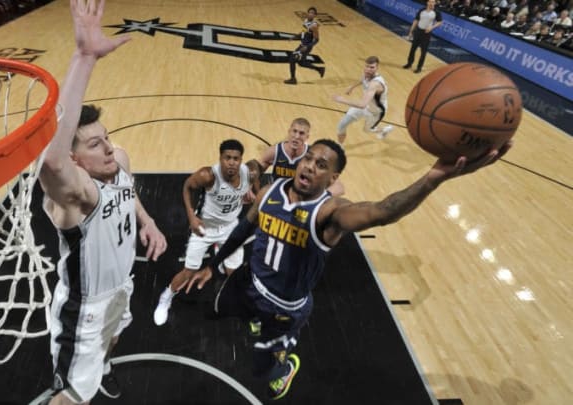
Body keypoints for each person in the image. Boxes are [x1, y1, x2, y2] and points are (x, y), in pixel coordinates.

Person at [183, 138, 511, 400]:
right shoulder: (270, 192)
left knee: (264, 372)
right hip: (250, 282)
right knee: (220, 307)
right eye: (309, 158)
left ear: (333, 178)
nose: (309, 165)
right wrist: (213, 265)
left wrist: (433, 179)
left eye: (321, 164)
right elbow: (243, 230)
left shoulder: (329, 213)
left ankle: (286, 367)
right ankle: (253, 319)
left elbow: (382, 212)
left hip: (284, 308)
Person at [39, 0, 167, 404]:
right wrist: (84, 58)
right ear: (77, 160)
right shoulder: (77, 198)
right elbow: (52, 161)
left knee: (116, 334)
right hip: (84, 309)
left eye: (107, 137)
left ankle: (106, 366)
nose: (109, 148)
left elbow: (128, 194)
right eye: (96, 144)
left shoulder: (120, 160)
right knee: (69, 398)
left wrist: (147, 221)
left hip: (120, 288)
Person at [153, 139, 259, 326]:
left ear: (241, 159)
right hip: (205, 228)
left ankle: (234, 299)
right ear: (220, 158)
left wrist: (254, 194)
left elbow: (257, 176)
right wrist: (191, 217)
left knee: (232, 272)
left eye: (236, 158)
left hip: (230, 227)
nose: (232, 162)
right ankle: (166, 296)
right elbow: (187, 186)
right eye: (227, 158)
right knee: (189, 271)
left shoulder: (249, 174)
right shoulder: (207, 175)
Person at [250, 118, 344, 197]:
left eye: (301, 133)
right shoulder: (275, 151)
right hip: (277, 194)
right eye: (294, 131)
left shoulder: (312, 155)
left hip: (300, 197)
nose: (296, 136)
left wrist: (321, 197)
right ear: (289, 132)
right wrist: (250, 188)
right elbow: (255, 169)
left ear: (307, 137)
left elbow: (339, 187)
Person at [332, 56, 393, 144]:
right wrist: (352, 87)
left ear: (377, 68)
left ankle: (384, 130)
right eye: (367, 66)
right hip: (366, 105)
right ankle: (340, 147)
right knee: (342, 125)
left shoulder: (375, 84)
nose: (368, 69)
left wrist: (341, 100)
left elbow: (362, 105)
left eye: (372, 67)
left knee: (367, 130)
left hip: (376, 111)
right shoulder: (366, 74)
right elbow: (362, 80)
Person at [284, 7, 325, 85]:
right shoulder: (305, 21)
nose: (310, 14)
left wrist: (307, 46)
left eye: (312, 13)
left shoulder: (314, 26)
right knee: (301, 63)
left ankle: (293, 79)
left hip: (306, 47)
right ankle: (320, 69)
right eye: (309, 12)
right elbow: (303, 32)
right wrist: (295, 37)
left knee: (292, 59)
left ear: (315, 15)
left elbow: (316, 40)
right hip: (302, 45)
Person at [403, 0, 443, 73]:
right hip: (418, 31)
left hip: (426, 34)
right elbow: (416, 20)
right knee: (413, 49)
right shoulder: (421, 10)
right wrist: (411, 31)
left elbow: (440, 22)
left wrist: (432, 27)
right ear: (427, 2)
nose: (432, 3)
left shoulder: (436, 12)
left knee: (423, 52)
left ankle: (419, 67)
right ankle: (409, 63)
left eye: (433, 2)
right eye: (430, 2)